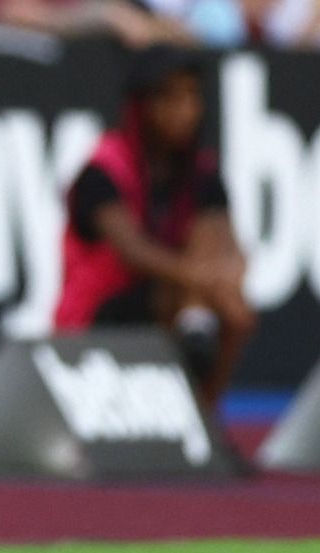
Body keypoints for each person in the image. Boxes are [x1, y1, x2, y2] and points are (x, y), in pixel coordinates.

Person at [53, 46, 254, 406]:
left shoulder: (203, 174)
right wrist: (202, 280)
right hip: (101, 313)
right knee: (188, 291)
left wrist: (228, 277)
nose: (187, 110)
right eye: (171, 97)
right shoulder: (102, 170)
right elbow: (133, 252)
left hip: (177, 298)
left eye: (193, 96)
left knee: (237, 313)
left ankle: (204, 419)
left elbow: (229, 245)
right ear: (142, 106)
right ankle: (194, 321)